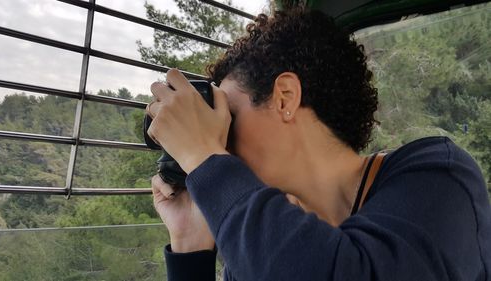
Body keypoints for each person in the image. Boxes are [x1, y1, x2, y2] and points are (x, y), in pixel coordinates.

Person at [145, 7, 491, 281]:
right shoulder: (260, 249)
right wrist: (191, 246)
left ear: (285, 97)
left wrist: (206, 158)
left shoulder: (439, 177)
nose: (218, 137)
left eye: (227, 116)